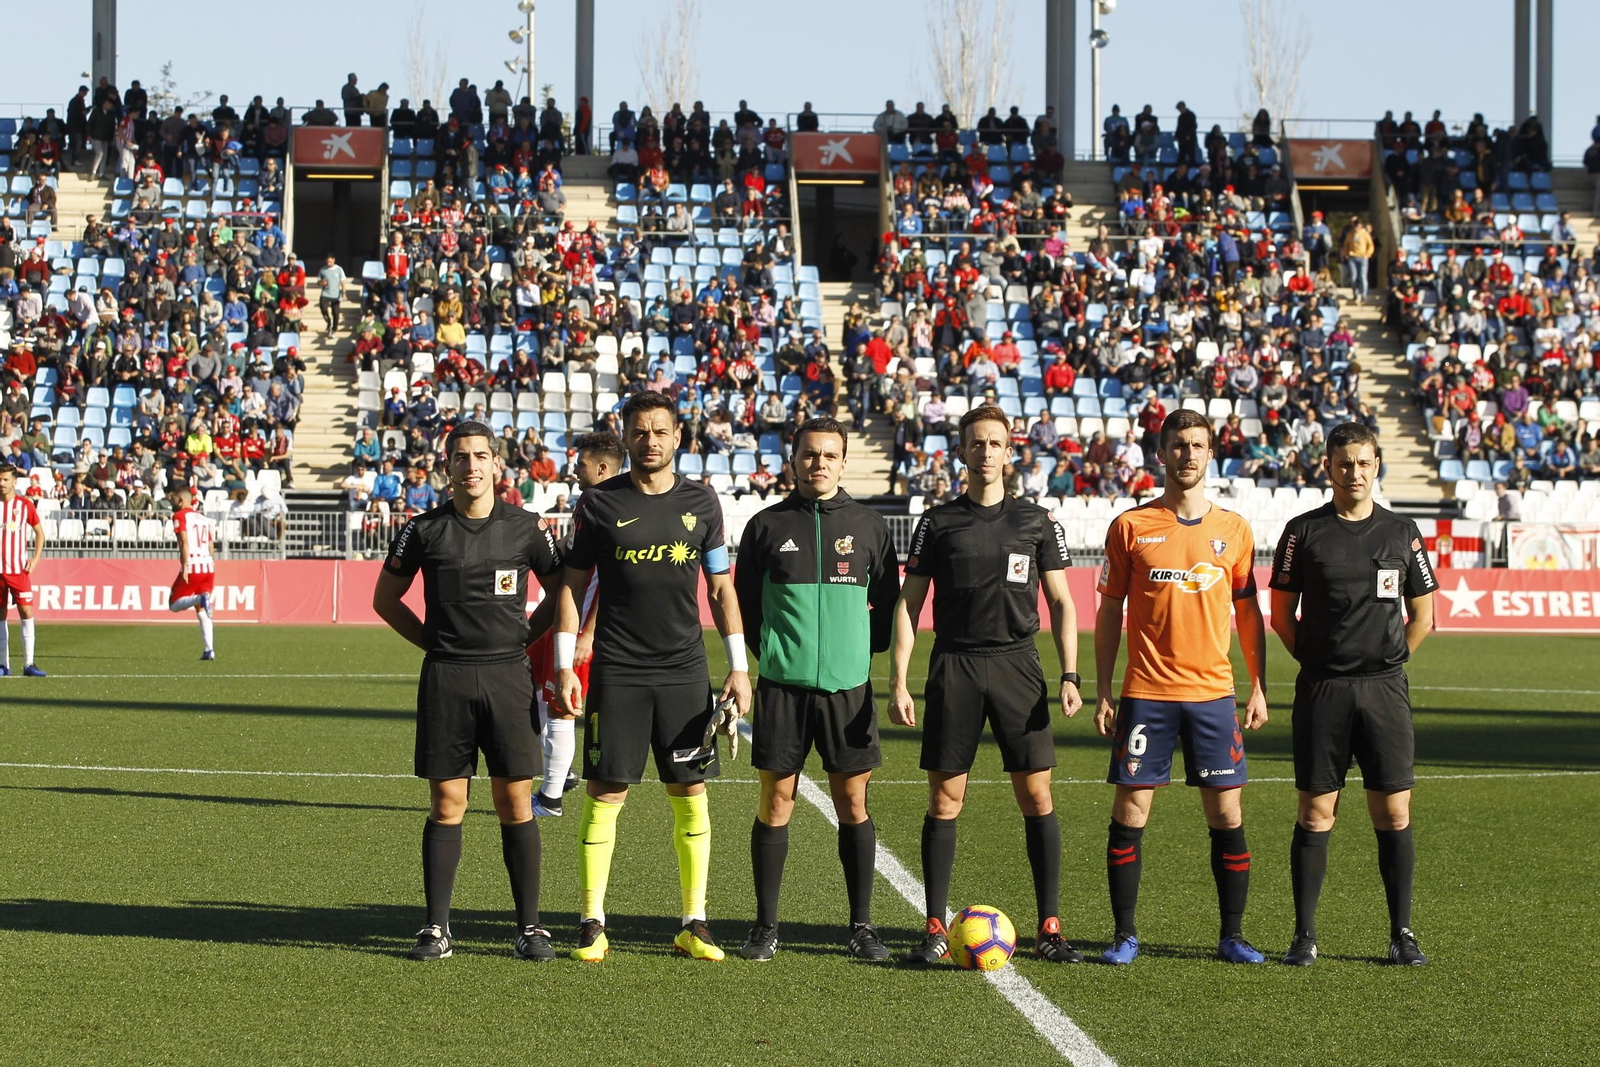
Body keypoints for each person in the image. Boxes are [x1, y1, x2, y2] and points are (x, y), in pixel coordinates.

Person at [553, 391, 753, 962]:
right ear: (626, 436)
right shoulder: (597, 503)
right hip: (617, 670)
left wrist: (739, 667)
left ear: (678, 438)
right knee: (606, 791)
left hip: (684, 671)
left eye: (660, 431)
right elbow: (571, 586)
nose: (651, 441)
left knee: (690, 790)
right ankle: (591, 921)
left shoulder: (702, 502)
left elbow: (720, 589)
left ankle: (694, 922)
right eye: (640, 431)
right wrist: (565, 664)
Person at [890, 404, 1085, 965]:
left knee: (1037, 795)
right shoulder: (937, 522)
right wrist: (899, 680)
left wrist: (1070, 674)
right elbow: (908, 603)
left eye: (995, 443)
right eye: (976, 443)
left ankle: (1050, 928)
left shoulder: (1036, 521)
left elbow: (1062, 601)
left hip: (1018, 665)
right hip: (955, 665)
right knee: (945, 799)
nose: (985, 452)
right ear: (961, 452)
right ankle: (934, 928)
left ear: (1009, 452)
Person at [373, 420, 567, 963]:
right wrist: (431, 643)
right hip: (447, 678)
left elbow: (562, 593)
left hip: (508, 677)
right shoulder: (423, 530)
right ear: (448, 467)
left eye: (481, 456)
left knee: (515, 802)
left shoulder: (528, 527)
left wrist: (527, 636)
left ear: (497, 465)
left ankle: (530, 928)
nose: (472, 465)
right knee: (447, 802)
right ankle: (436, 929)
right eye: (461, 457)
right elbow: (385, 600)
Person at [1092, 408, 1270, 965]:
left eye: (1197, 444)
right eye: (1178, 445)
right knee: (1131, 813)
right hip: (1147, 694)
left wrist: (1258, 686)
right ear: (1161, 453)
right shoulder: (1130, 526)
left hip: (1213, 697)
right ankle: (1124, 934)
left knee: (1227, 817)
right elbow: (1108, 612)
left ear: (1210, 453)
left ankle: (1232, 936)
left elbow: (1248, 614)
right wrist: (1104, 690)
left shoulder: (1234, 530)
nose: (1187, 454)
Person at [732, 417, 901, 961]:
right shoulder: (765, 526)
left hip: (849, 689)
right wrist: (775, 654)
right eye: (809, 454)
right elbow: (746, 605)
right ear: (793, 460)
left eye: (829, 455)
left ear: (843, 461)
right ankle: (765, 926)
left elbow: (887, 603)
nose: (818, 463)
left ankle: (862, 926)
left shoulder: (870, 526)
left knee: (853, 801)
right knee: (776, 800)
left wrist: (858, 653)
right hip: (782, 688)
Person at [1269, 422, 1437, 967]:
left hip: (1384, 690)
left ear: (1377, 466)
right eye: (1345, 463)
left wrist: (1387, 662)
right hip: (1323, 689)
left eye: (1364, 463)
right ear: (1328, 468)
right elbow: (1281, 616)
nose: (1355, 473)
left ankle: (1402, 934)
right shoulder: (1303, 532)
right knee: (1316, 813)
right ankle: (1304, 936)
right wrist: (1320, 661)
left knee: (1393, 812)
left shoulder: (1402, 532)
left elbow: (1423, 616)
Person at [526, 432, 621, 817]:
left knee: (561, 707)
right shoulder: (590, 502)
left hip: (580, 627)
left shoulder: (610, 505)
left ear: (602, 468)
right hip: (562, 619)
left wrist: (589, 634)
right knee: (535, 686)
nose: (574, 469)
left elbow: (611, 578)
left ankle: (550, 798)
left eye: (581, 464)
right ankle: (560, 773)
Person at [0, 464, 47, 676]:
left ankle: (29, 664)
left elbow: (40, 533)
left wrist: (35, 560)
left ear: (14, 482)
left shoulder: (24, 505)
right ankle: (3, 665)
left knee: (26, 612)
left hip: (18, 570)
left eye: (5, 480)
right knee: (0, 616)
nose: (1, 483)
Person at [168, 485, 219, 661]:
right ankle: (209, 650)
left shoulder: (179, 516)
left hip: (193, 564)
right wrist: (210, 563)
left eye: (174, 498)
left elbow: (184, 541)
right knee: (201, 610)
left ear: (181, 500)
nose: (172, 501)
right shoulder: (204, 519)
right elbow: (211, 546)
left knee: (174, 604)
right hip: (208, 566)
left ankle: (199, 598)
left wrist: (185, 564)